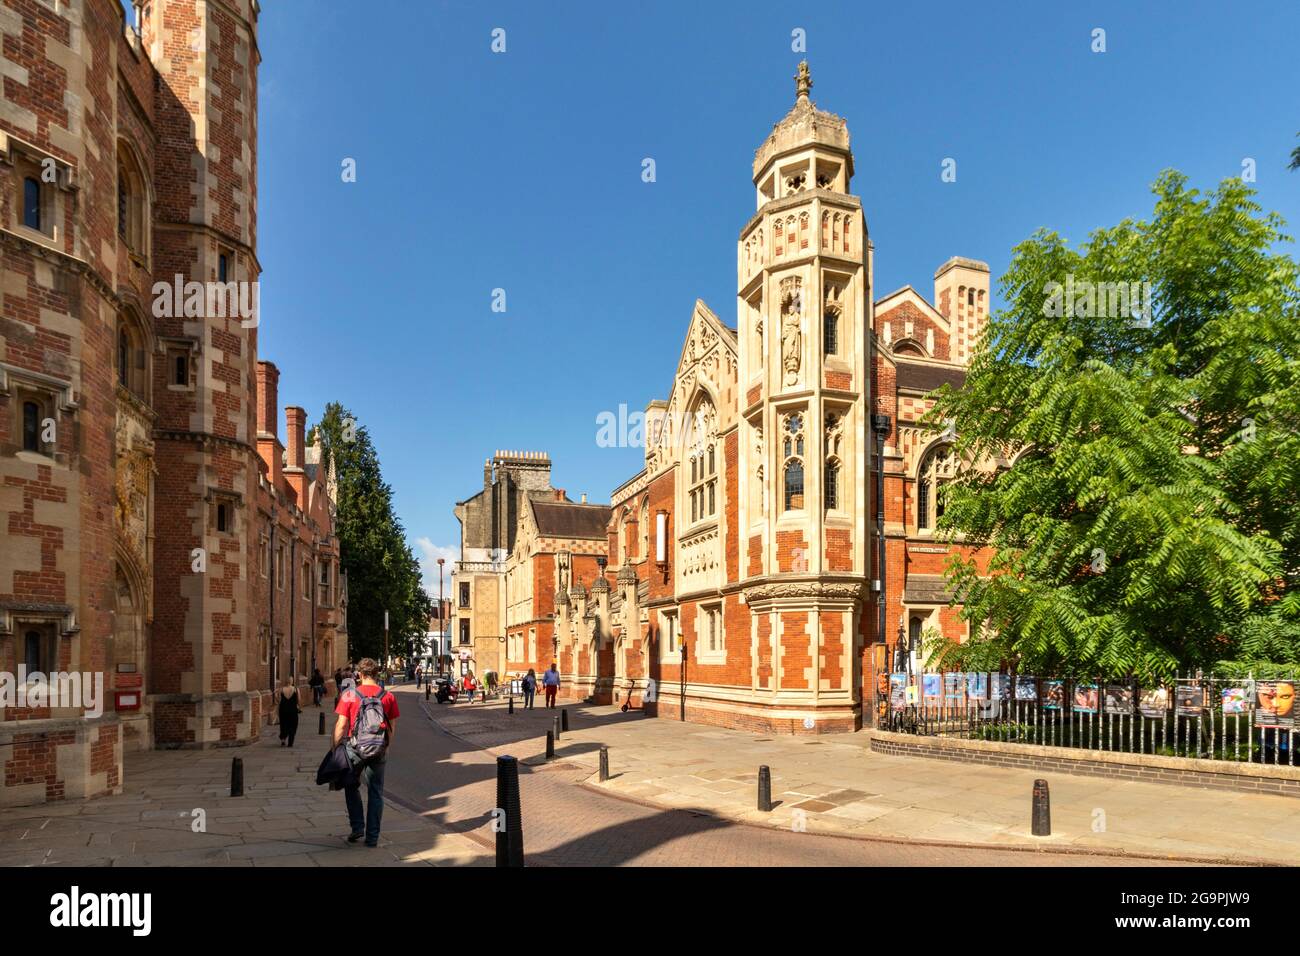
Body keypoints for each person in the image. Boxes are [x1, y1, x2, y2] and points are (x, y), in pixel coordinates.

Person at [333, 658, 400, 848]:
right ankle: (372, 837)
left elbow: (341, 724)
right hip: (379, 748)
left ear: (360, 675)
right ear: (376, 674)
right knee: (376, 792)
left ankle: (357, 827)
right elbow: (391, 725)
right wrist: (387, 745)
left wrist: (335, 746)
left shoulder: (349, 695)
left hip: (354, 748)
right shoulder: (387, 696)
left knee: (351, 786)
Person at [277, 680, 300, 747]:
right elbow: (299, 699)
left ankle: (283, 740)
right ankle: (290, 742)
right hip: (293, 710)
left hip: (283, 710)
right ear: (292, 681)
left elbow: (278, 700)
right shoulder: (296, 689)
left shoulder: (281, 689)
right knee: (293, 725)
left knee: (283, 724)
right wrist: (298, 706)